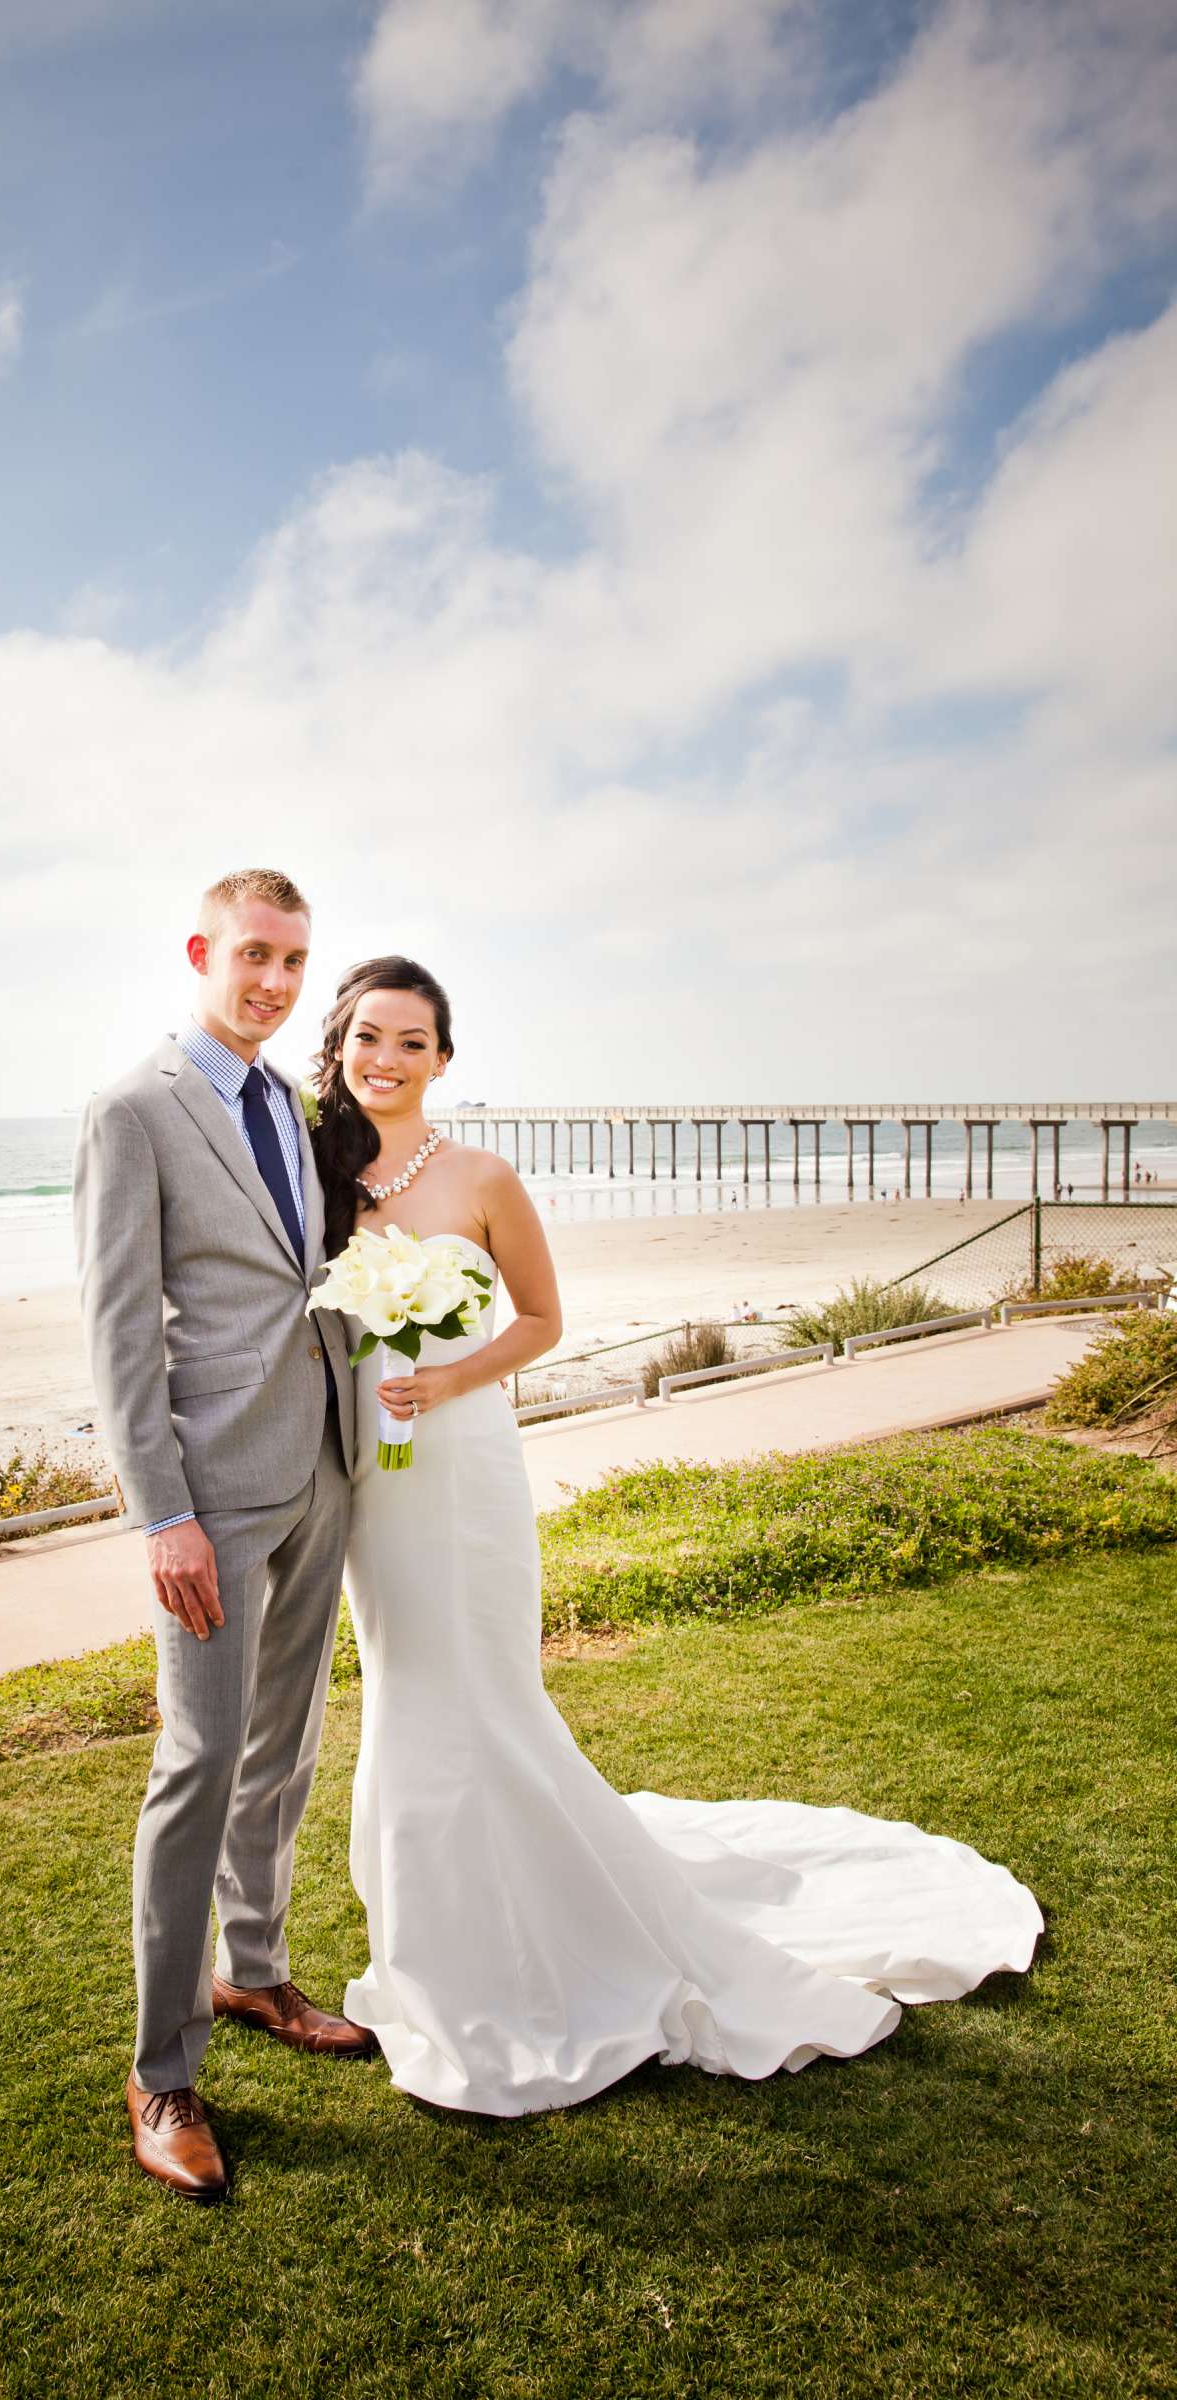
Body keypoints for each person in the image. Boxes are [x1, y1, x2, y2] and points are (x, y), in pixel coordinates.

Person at [310, 956, 1043, 2115]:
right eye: (368, 1037)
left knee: (483, 1691)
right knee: (407, 1689)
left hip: (465, 1463)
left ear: (443, 1058)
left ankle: (522, 1947)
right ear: (339, 1046)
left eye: (411, 1040)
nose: (386, 1059)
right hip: (372, 1482)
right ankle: (436, 1940)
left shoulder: (483, 1175)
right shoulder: (318, 1178)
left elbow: (545, 1322)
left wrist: (449, 1381)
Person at [73, 869, 369, 2205]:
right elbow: (121, 1333)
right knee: (197, 1765)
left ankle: (254, 1976)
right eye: (254, 955)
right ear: (203, 950)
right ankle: (160, 2073)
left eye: (295, 963)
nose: (273, 982)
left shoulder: (297, 1109)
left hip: (319, 1475)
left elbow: (309, 1282)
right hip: (210, 1504)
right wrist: (162, 1514)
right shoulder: (135, 1110)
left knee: (286, 1746)